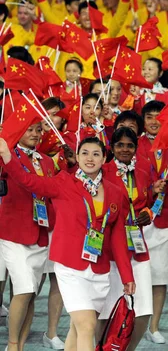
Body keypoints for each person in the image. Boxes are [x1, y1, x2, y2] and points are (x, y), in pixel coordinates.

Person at [0, 136, 135, 351]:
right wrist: (7, 155)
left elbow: (118, 238)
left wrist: (127, 276)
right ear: (78, 157)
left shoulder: (116, 192)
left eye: (96, 154)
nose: (90, 158)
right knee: (87, 326)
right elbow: (28, 181)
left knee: (77, 328)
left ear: (104, 159)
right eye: (85, 153)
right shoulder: (63, 182)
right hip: (70, 267)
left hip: (99, 270)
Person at [97, 127, 161, 350]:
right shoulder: (102, 171)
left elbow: (150, 202)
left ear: (136, 148)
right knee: (107, 310)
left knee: (143, 311)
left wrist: (150, 213)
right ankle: (99, 347)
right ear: (112, 148)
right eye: (120, 145)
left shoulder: (142, 173)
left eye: (130, 145)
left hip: (137, 248)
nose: (125, 149)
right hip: (109, 251)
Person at [0, 121, 57, 351]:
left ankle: (20, 345)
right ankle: (11, 344)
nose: (35, 134)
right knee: (23, 289)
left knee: (30, 293)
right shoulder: (6, 154)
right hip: (13, 234)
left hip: (40, 233)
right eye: (29, 130)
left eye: (38, 130)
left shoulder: (45, 160)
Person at [137, 101, 168, 343]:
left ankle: (153, 326)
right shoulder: (133, 144)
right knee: (138, 274)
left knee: (161, 275)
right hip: (140, 217)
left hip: (163, 217)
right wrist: (149, 188)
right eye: (149, 117)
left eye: (158, 117)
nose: (154, 121)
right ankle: (133, 322)